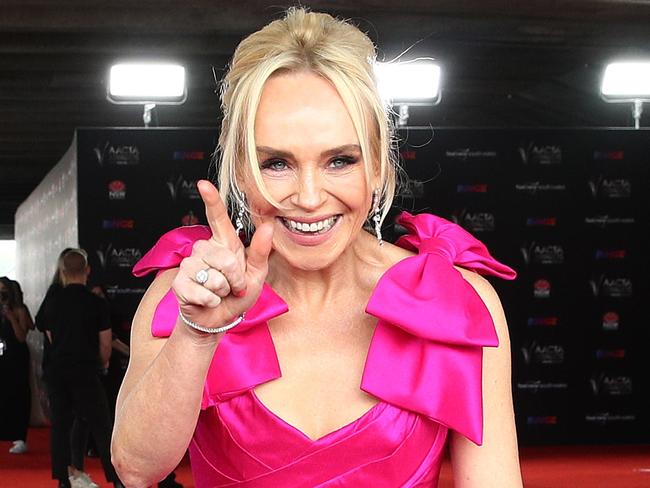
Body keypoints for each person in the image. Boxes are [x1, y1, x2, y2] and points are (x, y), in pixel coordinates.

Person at [112, 7, 522, 487]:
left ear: (380, 166)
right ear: (241, 171)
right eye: (277, 163)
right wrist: (197, 334)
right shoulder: (185, 298)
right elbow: (136, 468)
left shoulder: (456, 305)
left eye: (340, 161)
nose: (308, 198)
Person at [39, 249, 123, 488]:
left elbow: (51, 335)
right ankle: (116, 479)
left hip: (58, 371)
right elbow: (106, 344)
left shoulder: (53, 301)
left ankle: (64, 480)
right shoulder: (96, 303)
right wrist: (101, 364)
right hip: (86, 370)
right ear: (87, 270)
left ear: (63, 272)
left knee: (61, 426)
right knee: (102, 426)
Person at [0, 276, 34, 454]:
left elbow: (21, 336)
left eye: (4, 292)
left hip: (16, 358)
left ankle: (19, 436)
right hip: (1, 356)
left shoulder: (20, 310)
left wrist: (11, 317)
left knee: (18, 394)